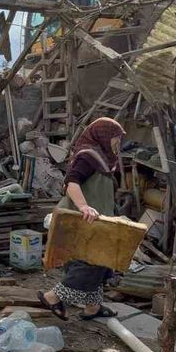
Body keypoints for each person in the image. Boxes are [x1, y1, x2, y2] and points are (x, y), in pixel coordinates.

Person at [38, 117, 126, 320]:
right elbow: (71, 182)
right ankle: (53, 297)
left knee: (101, 262)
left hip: (96, 221)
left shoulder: (102, 158)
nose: (117, 142)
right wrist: (84, 206)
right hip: (82, 219)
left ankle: (93, 307)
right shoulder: (88, 156)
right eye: (115, 137)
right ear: (103, 136)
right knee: (92, 263)